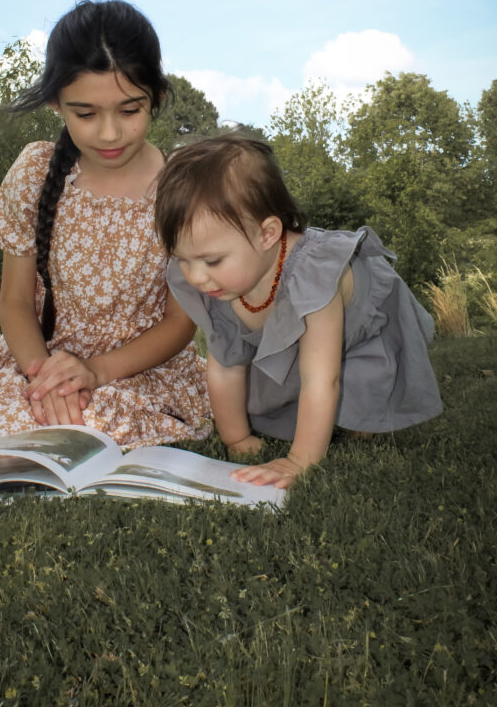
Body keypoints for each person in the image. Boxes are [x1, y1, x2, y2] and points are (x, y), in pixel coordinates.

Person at [0, 0, 211, 450]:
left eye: (129, 110)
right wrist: (46, 382)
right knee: (11, 422)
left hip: (140, 372)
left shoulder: (181, 186)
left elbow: (180, 324)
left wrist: (94, 373)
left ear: (156, 95)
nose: (110, 133)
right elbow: (15, 303)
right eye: (86, 113)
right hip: (41, 366)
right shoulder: (37, 173)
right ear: (57, 102)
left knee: (95, 421)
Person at [154, 137, 442, 489]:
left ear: (268, 234)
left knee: (350, 383)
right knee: (277, 393)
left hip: (365, 322)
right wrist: (236, 439)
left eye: (211, 260)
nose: (196, 277)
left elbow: (322, 380)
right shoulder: (220, 282)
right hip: (289, 310)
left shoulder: (314, 276)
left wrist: (298, 461)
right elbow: (225, 365)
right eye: (182, 259)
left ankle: (358, 419)